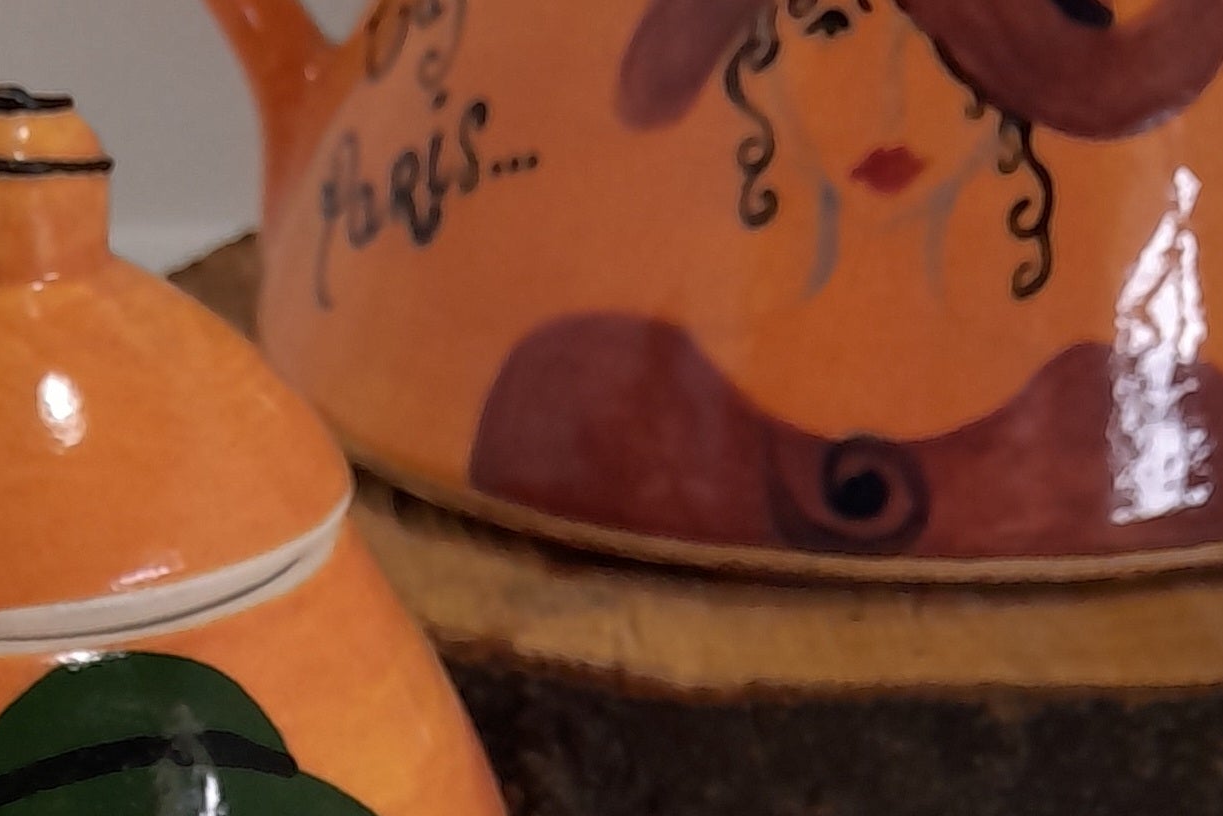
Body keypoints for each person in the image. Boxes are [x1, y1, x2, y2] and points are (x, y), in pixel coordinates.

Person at [470, 0, 1223, 557]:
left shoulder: (1117, 424)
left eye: (935, 43)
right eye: (833, 26)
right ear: (761, 72)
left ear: (1014, 93)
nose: (886, 95)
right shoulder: (598, 405)